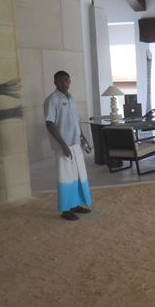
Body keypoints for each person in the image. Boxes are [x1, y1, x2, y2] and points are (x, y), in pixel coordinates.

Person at [44, 70, 92, 221]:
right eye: (61, 80)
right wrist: (63, 145)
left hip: (75, 143)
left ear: (70, 81)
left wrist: (83, 138)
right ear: (55, 83)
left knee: (77, 175)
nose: (64, 83)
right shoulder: (52, 100)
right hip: (63, 146)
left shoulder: (71, 99)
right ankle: (66, 210)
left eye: (67, 80)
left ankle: (75, 205)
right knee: (65, 178)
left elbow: (76, 121)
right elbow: (49, 123)